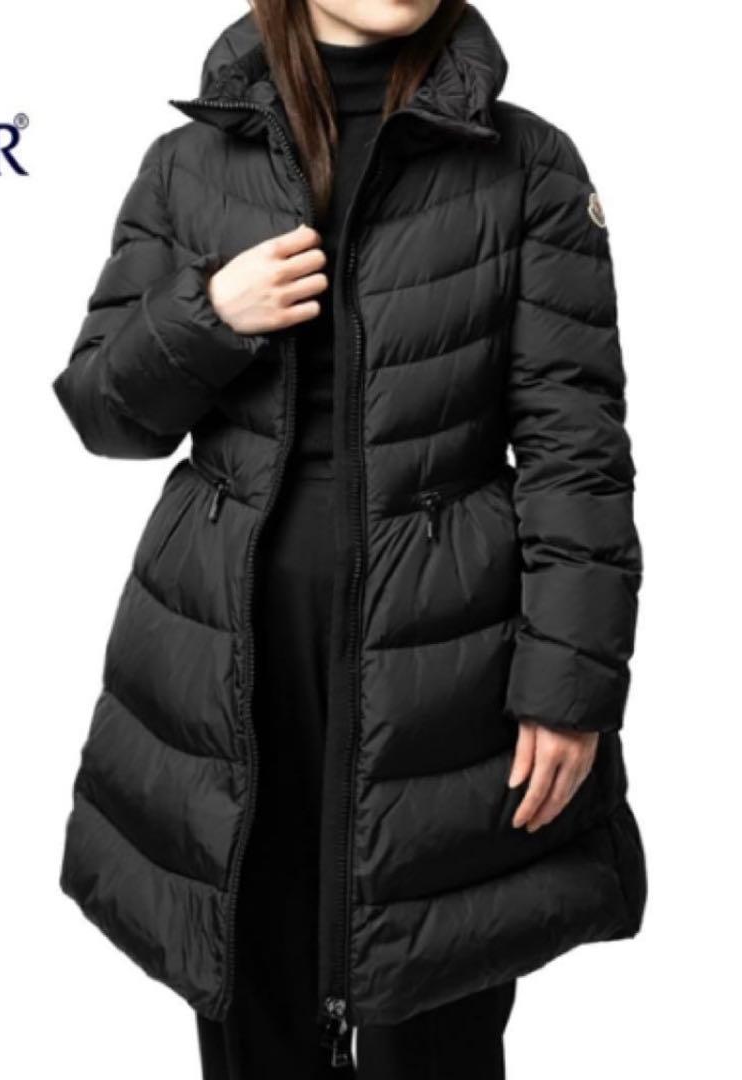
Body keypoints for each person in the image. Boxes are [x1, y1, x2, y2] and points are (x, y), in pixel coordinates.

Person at [51, 2, 646, 1077]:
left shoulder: (527, 164)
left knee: (437, 1018)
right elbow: (105, 412)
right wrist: (209, 312)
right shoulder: (190, 164)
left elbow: (577, 452)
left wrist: (570, 686)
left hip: (448, 664)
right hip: (233, 655)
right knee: (254, 1003)